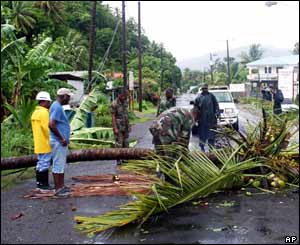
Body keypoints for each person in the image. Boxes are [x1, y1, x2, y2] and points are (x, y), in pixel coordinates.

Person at [49, 88, 72, 197]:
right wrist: (61, 138)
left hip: (60, 142)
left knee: (61, 164)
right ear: (64, 96)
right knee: (58, 164)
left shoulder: (56, 106)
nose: (69, 99)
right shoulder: (57, 107)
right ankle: (58, 188)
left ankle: (61, 186)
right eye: (69, 97)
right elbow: (51, 124)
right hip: (58, 142)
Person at [31, 91, 52, 190]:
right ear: (43, 101)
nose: (49, 104)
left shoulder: (35, 112)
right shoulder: (44, 113)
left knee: (40, 163)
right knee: (45, 163)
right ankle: (44, 185)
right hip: (45, 142)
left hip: (38, 142)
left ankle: (39, 183)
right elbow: (47, 129)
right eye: (48, 102)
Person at [193, 84, 220, 152]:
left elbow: (216, 105)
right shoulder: (198, 98)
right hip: (202, 120)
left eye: (206, 88)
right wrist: (195, 118)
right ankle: (202, 148)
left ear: (207, 89)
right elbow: (195, 108)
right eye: (203, 88)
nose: (205, 90)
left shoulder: (211, 96)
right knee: (202, 135)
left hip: (211, 120)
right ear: (202, 89)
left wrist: (217, 113)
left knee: (212, 134)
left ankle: (211, 149)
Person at [111, 88, 130, 164]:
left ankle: (125, 158)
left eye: (125, 96)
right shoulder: (114, 104)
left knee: (126, 143)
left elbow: (126, 114)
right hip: (118, 126)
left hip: (125, 126)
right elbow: (113, 117)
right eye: (123, 96)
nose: (124, 97)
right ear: (119, 95)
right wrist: (115, 128)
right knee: (119, 144)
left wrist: (129, 126)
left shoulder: (125, 102)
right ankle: (118, 159)